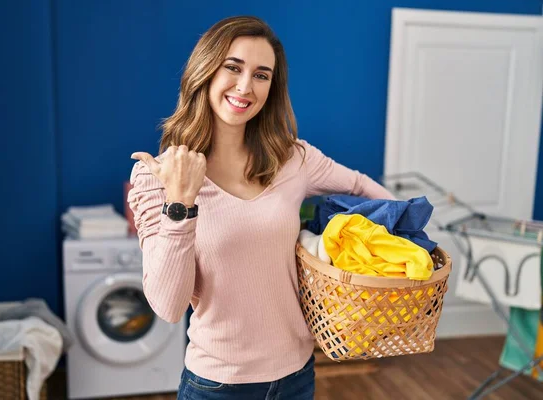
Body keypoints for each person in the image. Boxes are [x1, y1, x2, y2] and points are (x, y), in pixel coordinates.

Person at [128, 15, 395, 400]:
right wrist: (181, 202)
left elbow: (360, 185)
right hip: (217, 386)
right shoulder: (158, 176)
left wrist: (404, 241)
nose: (244, 86)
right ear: (205, 70)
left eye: (261, 75)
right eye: (233, 67)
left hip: (297, 376)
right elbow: (169, 306)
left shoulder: (293, 159)